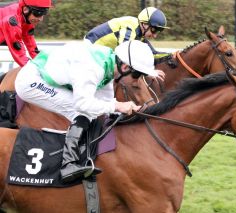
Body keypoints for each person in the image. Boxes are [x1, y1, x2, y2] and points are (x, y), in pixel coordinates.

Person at [15, 40, 159, 183]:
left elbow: (106, 102)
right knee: (81, 112)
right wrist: (118, 106)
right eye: (138, 75)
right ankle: (68, 164)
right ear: (125, 67)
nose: (138, 81)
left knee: (94, 111)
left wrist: (126, 109)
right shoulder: (93, 69)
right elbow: (83, 104)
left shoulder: (109, 64)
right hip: (32, 81)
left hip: (46, 74)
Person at [85, 7, 169, 60]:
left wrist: (174, 55)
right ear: (144, 24)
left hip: (103, 52)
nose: (154, 35)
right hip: (91, 47)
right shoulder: (130, 26)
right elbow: (124, 54)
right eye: (154, 30)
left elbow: (153, 54)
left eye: (158, 31)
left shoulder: (140, 33)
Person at [0, 0, 52, 67]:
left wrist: (42, 62)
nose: (41, 19)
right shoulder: (12, 19)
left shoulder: (27, 17)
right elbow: (18, 51)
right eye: (38, 13)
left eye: (44, 13)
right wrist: (31, 67)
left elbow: (31, 45)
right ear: (25, 9)